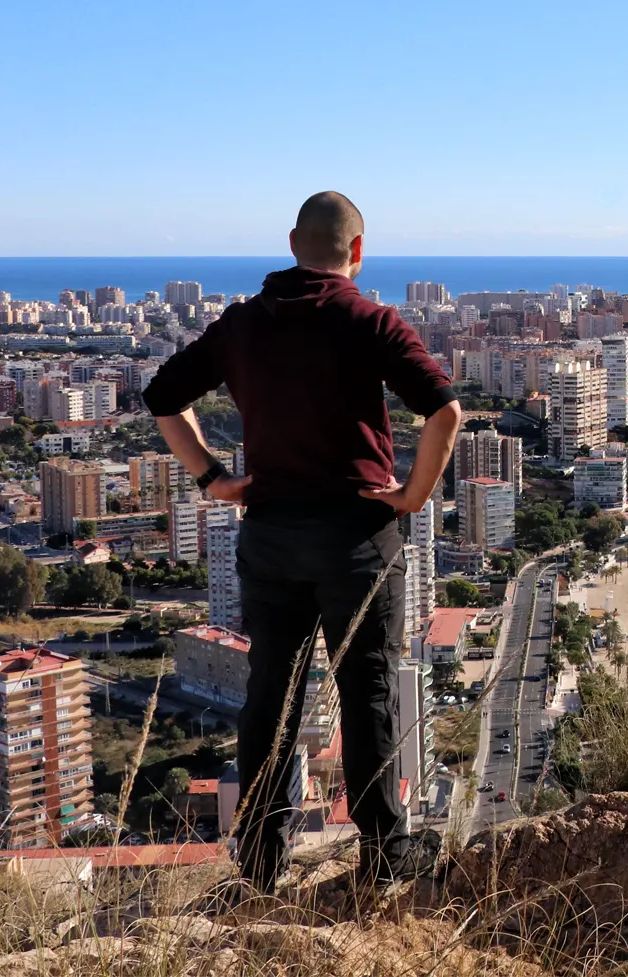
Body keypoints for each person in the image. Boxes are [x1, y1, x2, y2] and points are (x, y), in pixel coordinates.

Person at [144, 191, 464, 894]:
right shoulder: (370, 320)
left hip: (271, 536)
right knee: (367, 690)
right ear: (357, 249)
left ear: (293, 243)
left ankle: (260, 861)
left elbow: (163, 396)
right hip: (356, 538)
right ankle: (384, 854)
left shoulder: (243, 324)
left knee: (273, 697)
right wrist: (412, 495)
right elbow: (445, 411)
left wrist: (212, 477)